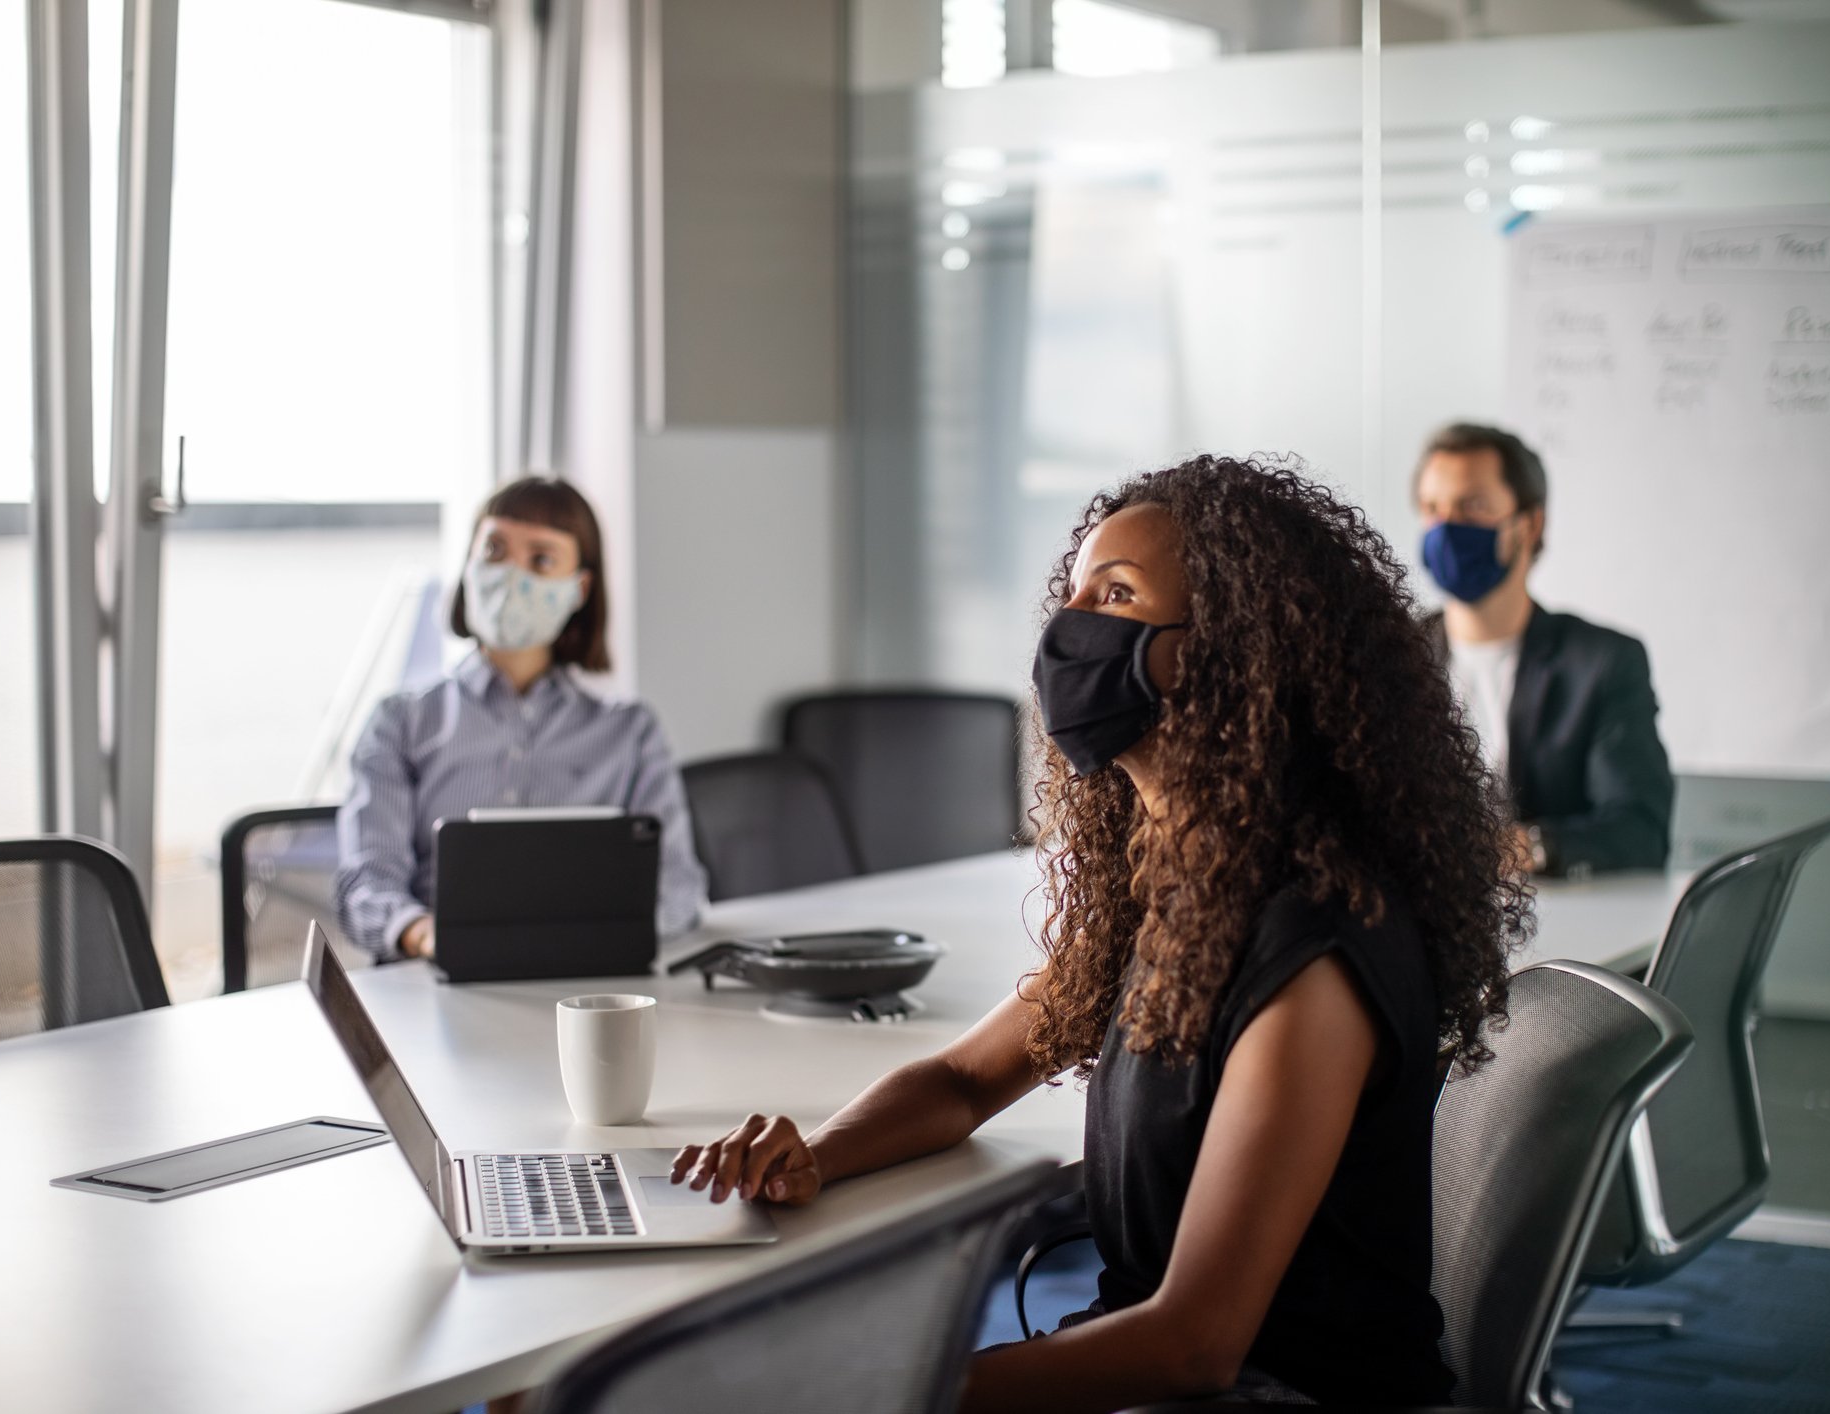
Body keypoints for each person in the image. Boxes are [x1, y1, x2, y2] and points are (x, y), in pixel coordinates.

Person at [670, 457, 1527, 1411]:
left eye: (1114, 595)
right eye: (1072, 593)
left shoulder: (1315, 947)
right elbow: (960, 1080)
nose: (1069, 630)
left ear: (1229, 653)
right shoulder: (1174, 894)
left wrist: (887, 1393)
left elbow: (1193, 1345)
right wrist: (819, 1153)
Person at [335, 476, 707, 962]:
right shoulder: (400, 721)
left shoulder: (629, 732)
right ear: (468, 564)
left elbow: (678, 886)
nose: (512, 574)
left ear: (580, 589)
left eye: (541, 560)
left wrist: (583, 937)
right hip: (432, 979)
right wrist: (425, 933)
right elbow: (366, 881)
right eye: (494, 550)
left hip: (587, 984)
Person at [1413, 421, 1674, 876]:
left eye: (1473, 506)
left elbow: (1640, 829)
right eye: (1433, 508)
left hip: (1548, 923)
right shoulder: (1392, 655)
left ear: (1529, 525)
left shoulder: (1602, 663)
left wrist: (1521, 848)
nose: (1447, 528)